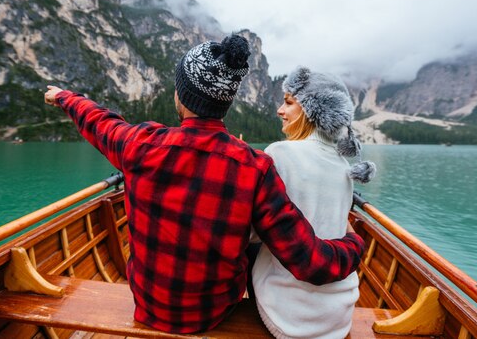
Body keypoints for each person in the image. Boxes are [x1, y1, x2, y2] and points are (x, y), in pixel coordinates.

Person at [44, 35, 365, 334]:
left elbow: (100, 122)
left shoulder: (140, 144)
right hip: (213, 312)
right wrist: (355, 243)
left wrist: (65, 98)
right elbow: (310, 262)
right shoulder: (254, 167)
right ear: (225, 103)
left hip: (149, 306)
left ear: (181, 94)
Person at [251, 66, 376, 339]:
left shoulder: (279, 153)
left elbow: (253, 235)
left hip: (290, 317)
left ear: (311, 110)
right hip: (338, 315)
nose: (279, 111)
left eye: (288, 102)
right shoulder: (345, 168)